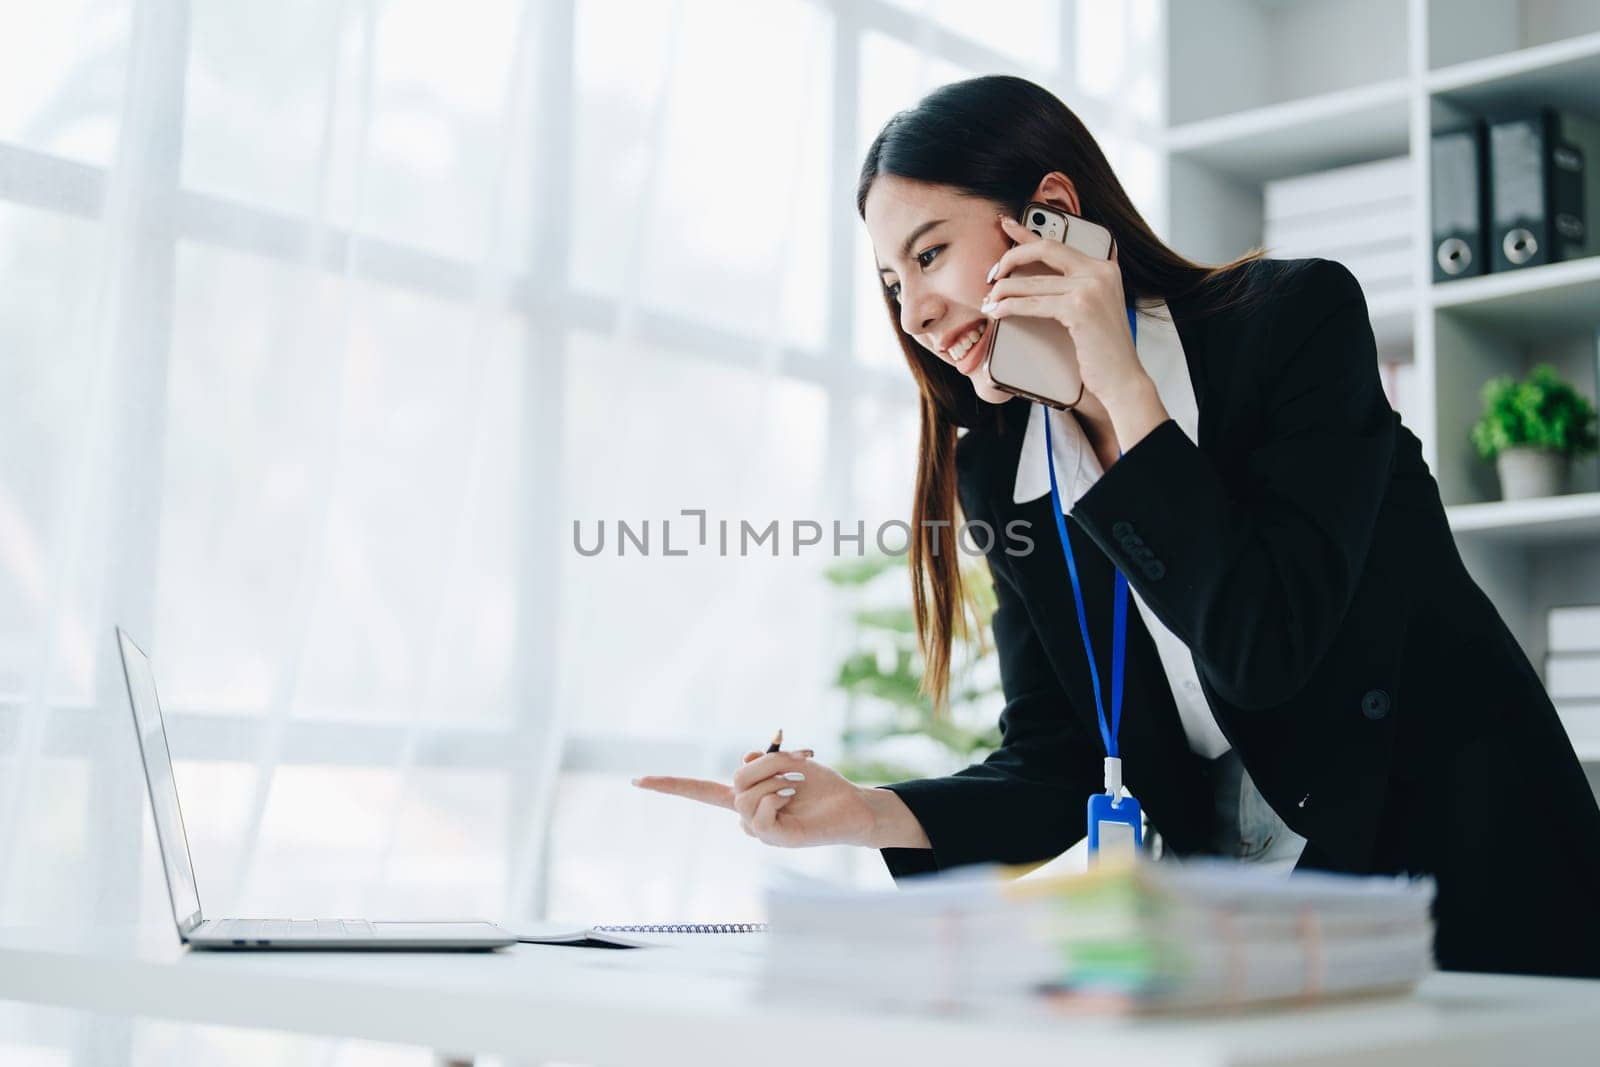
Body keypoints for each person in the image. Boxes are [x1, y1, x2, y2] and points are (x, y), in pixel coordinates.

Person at [634, 74, 1600, 978]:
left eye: (929, 254)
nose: (917, 313)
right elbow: (1058, 760)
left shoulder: (1294, 321)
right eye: (892, 283)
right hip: (1259, 913)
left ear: (1052, 211)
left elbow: (1266, 643)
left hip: (1467, 875)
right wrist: (867, 814)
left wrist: (1126, 397)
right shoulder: (1004, 468)